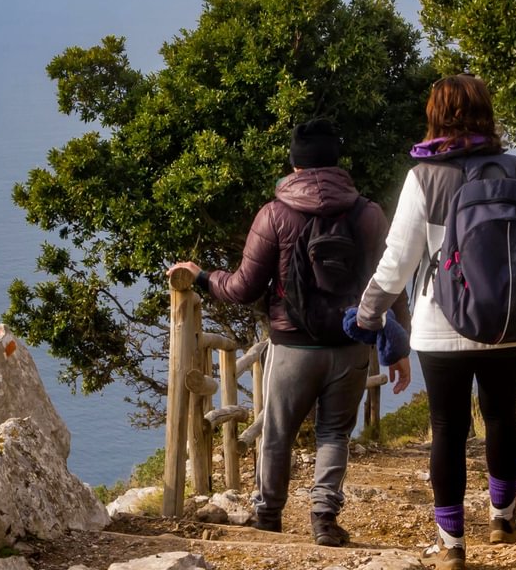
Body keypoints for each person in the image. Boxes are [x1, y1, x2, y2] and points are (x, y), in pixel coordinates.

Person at [352, 74, 516, 570]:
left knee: (446, 428)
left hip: (440, 324)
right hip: (513, 323)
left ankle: (451, 546)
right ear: (486, 113)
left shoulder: (423, 178)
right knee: (500, 416)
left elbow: (397, 262)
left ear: (434, 117)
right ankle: (503, 517)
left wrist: (368, 314)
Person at [167, 118, 407, 547]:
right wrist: (398, 346)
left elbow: (242, 288)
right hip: (351, 344)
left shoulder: (274, 214)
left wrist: (202, 277)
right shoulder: (367, 213)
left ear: (295, 163)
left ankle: (269, 517)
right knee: (335, 433)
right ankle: (324, 519)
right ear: (336, 160)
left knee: (278, 431)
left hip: (292, 344)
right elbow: (391, 282)